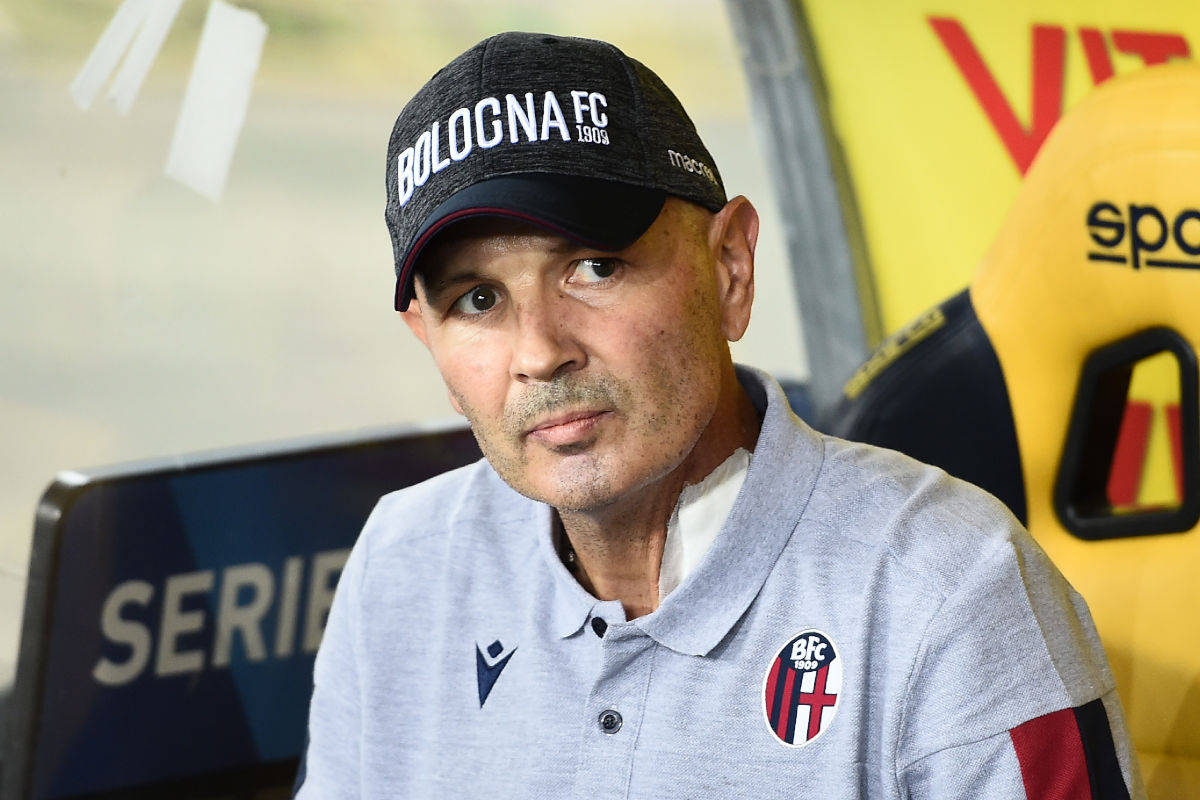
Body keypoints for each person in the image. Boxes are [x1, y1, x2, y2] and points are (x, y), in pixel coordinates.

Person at [295, 31, 1144, 799]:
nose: (540, 352)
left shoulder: (953, 591)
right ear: (429, 341)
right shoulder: (402, 567)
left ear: (731, 267)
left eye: (595, 267)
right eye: (477, 300)